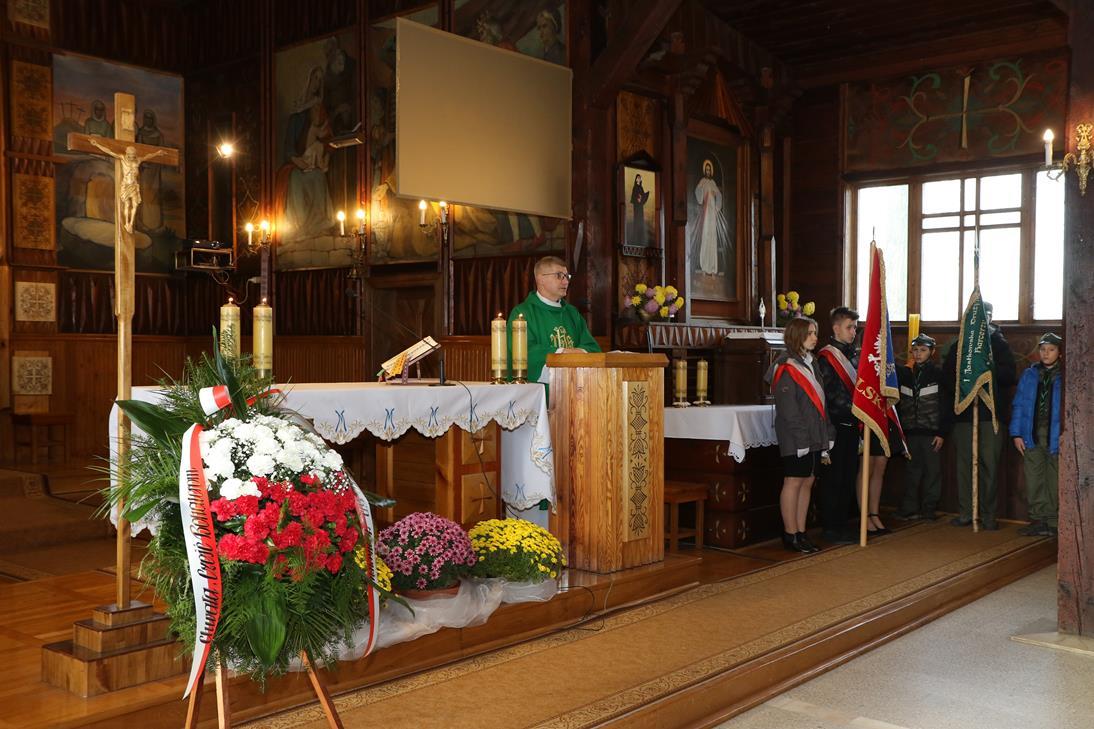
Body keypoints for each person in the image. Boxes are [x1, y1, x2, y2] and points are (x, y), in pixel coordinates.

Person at [942, 301, 1017, 530]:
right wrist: (966, 385)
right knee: (964, 467)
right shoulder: (959, 345)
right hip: (964, 415)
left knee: (989, 467)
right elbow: (947, 377)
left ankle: (988, 515)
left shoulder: (999, 344)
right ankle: (967, 512)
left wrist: (988, 368)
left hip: (990, 415)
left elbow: (1009, 376)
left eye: (987, 315)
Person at [767, 317, 834, 554]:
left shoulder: (812, 362)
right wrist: (801, 438)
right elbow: (788, 409)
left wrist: (828, 431)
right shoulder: (786, 365)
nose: (815, 338)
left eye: (815, 333)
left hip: (815, 432)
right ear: (797, 336)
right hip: (796, 436)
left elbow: (822, 402)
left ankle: (801, 532)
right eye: (810, 333)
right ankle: (790, 533)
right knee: (793, 481)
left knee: (808, 481)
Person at [507, 256, 600, 384]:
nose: (566, 282)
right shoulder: (522, 314)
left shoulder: (572, 313)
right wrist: (562, 352)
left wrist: (577, 353)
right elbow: (523, 352)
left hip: (575, 388)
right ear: (540, 279)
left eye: (567, 276)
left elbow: (592, 348)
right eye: (559, 276)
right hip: (538, 392)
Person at [1010, 333, 1063, 537]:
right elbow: (1018, 405)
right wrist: (1016, 433)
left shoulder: (1065, 375)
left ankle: (1054, 522)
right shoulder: (1029, 374)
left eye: (1051, 350)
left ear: (1059, 353)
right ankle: (1039, 520)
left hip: (1056, 435)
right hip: (1031, 434)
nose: (1046, 353)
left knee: (1054, 480)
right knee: (1034, 479)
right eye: (1043, 349)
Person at [816, 306, 860, 544]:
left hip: (853, 424)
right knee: (833, 478)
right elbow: (829, 394)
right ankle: (830, 527)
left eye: (855, 327)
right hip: (835, 425)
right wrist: (853, 409)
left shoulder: (854, 354)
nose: (853, 332)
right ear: (836, 328)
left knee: (848, 476)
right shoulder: (826, 357)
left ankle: (842, 524)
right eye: (849, 327)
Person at [896, 334, 944, 521]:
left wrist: (941, 432)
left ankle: (929, 508)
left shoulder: (938, 374)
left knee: (932, 472)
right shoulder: (905, 374)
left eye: (923, 350)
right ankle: (909, 507)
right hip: (910, 431)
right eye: (915, 350)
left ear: (932, 352)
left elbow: (945, 405)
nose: (918, 354)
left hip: (931, 432)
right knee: (912, 471)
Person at [86, 138, 167, 233]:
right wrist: (97, 144)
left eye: (133, 156)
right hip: (126, 185)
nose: (131, 158)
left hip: (134, 186)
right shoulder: (122, 158)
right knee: (127, 205)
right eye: (130, 156)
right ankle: (127, 223)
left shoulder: (138, 160)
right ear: (127, 154)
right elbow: (109, 151)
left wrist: (157, 153)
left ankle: (131, 224)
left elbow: (148, 156)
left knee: (135, 205)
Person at [629, 173, 650, 247]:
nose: (639, 179)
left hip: (640, 206)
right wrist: (637, 199)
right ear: (636, 179)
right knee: (637, 219)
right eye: (638, 178)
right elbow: (633, 197)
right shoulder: (635, 187)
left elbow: (643, 195)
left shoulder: (641, 187)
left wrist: (646, 194)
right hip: (636, 206)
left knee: (641, 218)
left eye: (640, 178)